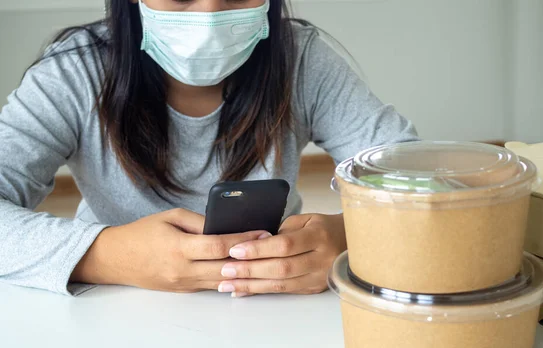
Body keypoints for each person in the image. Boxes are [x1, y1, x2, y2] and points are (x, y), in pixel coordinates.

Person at [0, 0, 417, 297]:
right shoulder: (73, 73)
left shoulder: (301, 59)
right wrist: (106, 255)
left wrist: (351, 237)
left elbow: (422, 185)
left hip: (274, 310)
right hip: (114, 310)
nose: (209, 17)